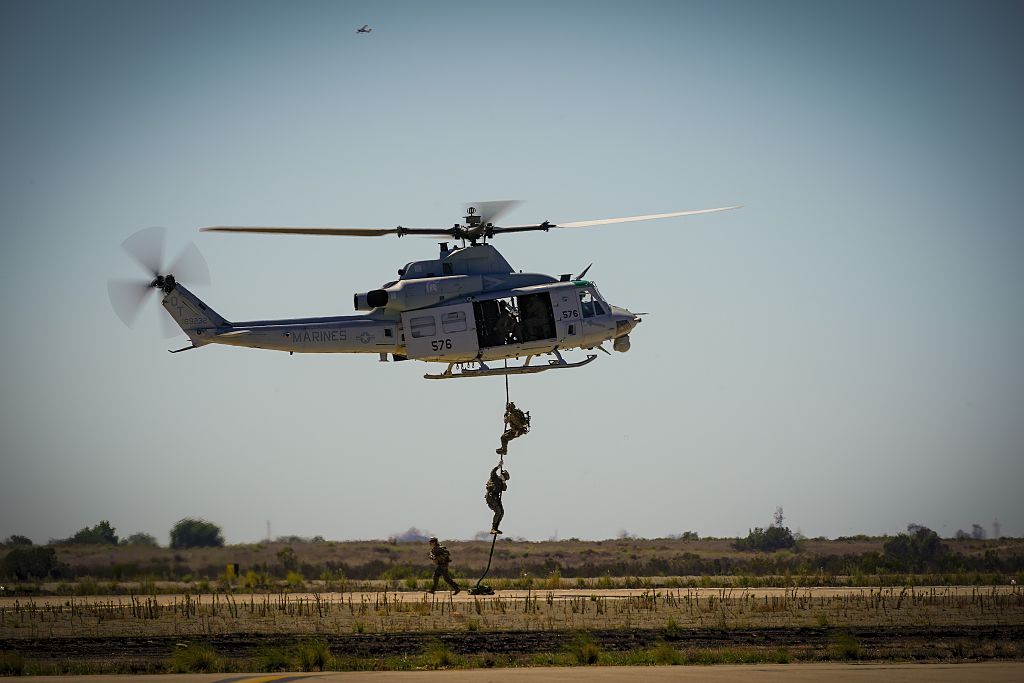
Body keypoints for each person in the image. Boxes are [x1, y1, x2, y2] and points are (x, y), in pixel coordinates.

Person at [485, 465, 510, 534]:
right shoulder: (495, 478)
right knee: (498, 512)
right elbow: (492, 472)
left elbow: (504, 489)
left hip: (496, 498)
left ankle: (496, 527)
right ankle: (493, 528)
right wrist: (498, 466)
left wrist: (503, 482)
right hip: (491, 497)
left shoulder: (502, 482)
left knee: (502, 512)